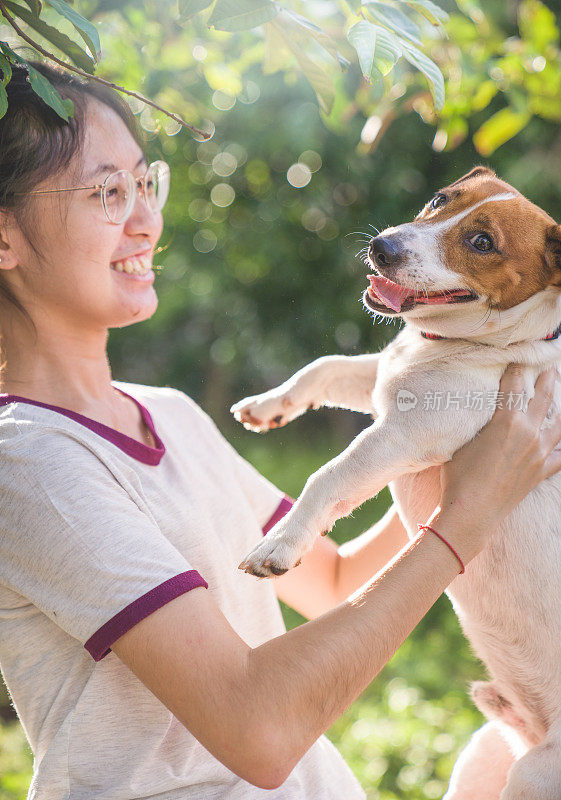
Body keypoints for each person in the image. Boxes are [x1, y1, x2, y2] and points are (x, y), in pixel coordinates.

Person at [0, 60, 559, 800]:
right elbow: (257, 732)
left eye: (146, 182)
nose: (145, 218)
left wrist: (489, 452)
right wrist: (467, 517)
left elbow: (326, 579)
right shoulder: (29, 463)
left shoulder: (166, 412)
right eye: (107, 192)